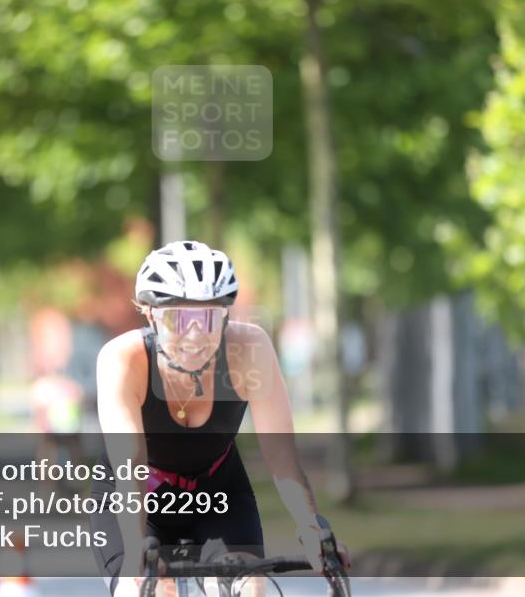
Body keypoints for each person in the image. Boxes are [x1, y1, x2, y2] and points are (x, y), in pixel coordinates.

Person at [90, 240, 351, 597]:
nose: (195, 334)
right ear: (151, 313)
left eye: (209, 318)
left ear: (227, 315)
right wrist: (137, 552)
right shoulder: (123, 359)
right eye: (178, 318)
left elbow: (282, 460)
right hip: (139, 496)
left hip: (217, 490)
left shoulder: (251, 350)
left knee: (252, 589)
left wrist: (312, 531)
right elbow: (130, 467)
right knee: (151, 592)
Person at [30, 370, 85, 492]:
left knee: (47, 454)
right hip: (71, 425)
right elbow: (81, 404)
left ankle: (47, 487)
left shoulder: (43, 385)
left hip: (50, 426)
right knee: (74, 453)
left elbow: (38, 409)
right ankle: (77, 482)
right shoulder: (72, 385)